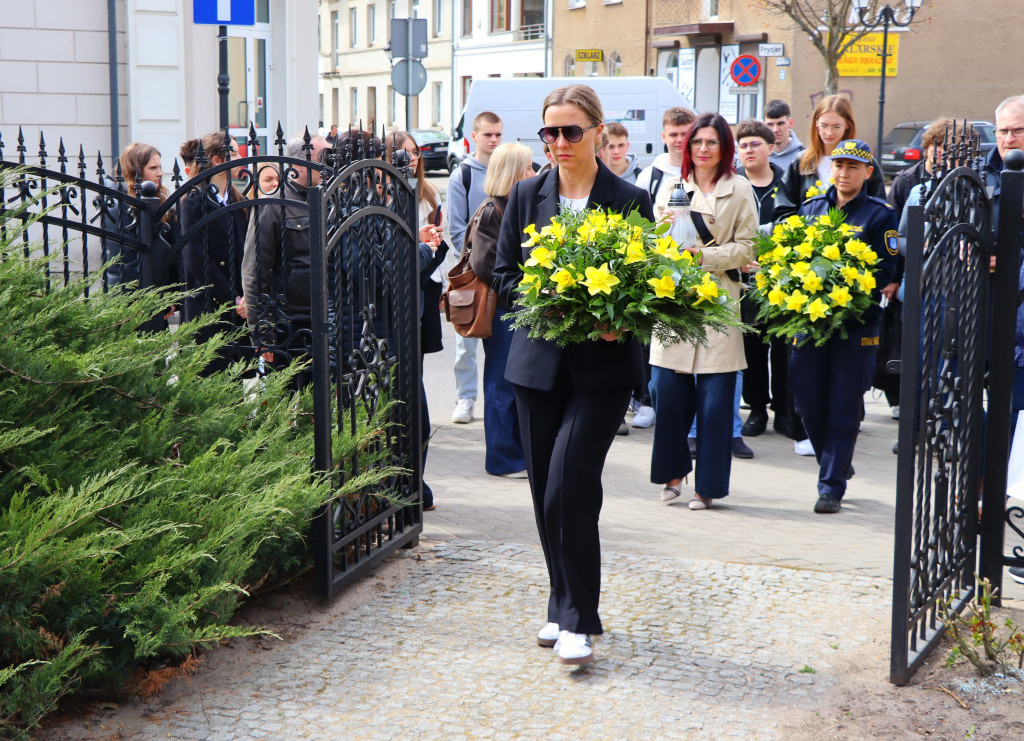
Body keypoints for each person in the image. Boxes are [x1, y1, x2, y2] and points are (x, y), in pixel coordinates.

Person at [491, 84, 654, 666]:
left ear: (597, 132)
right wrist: (552, 297)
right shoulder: (525, 194)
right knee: (544, 494)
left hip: (604, 370)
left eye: (570, 132)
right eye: (549, 133)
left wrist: (620, 318)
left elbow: (648, 283)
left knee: (570, 484)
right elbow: (503, 274)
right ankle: (564, 603)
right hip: (537, 366)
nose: (559, 143)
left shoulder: (630, 199)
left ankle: (579, 620)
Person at [648, 112, 758, 509]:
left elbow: (748, 248)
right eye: (697, 142)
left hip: (718, 301)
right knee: (665, 391)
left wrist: (705, 256)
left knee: (714, 402)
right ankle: (673, 473)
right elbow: (654, 238)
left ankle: (707, 487)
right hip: (673, 299)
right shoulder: (672, 186)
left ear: (724, 146)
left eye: (711, 142)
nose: (703, 149)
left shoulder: (740, 189)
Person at [773, 94, 887, 456]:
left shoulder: (867, 168)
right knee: (806, 385)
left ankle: (836, 460)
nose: (828, 133)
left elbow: (881, 221)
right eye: (823, 127)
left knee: (844, 389)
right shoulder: (802, 164)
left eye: (835, 127)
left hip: (852, 295)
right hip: (808, 287)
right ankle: (828, 451)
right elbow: (786, 212)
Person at [791, 140, 899, 514]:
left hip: (856, 324)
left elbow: (885, 271)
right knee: (806, 400)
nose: (843, 173)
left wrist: (842, 288)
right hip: (810, 321)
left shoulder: (880, 215)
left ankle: (831, 484)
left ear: (868, 173)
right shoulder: (811, 208)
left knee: (843, 403)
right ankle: (835, 459)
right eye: (838, 165)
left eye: (853, 167)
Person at [465, 143, 532, 478]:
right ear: (514, 173)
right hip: (505, 309)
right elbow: (483, 264)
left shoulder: (513, 205)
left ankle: (516, 455)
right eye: (528, 168)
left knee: (513, 384)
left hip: (515, 308)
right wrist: (525, 285)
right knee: (500, 385)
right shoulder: (493, 209)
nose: (534, 174)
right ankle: (502, 460)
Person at [447, 111, 503, 424]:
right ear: (474, 136)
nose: (493, 140)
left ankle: (497, 404)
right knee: (465, 342)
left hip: (501, 274)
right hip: (471, 273)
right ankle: (465, 399)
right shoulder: (464, 175)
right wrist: (476, 262)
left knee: (501, 344)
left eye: (497, 135)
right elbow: (455, 228)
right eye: (487, 135)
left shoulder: (506, 171)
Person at [735, 119, 789, 439]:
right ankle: (756, 409)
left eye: (755, 144)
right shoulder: (733, 184)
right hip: (746, 283)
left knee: (782, 348)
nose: (748, 150)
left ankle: (784, 409)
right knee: (752, 350)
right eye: (743, 146)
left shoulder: (786, 184)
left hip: (782, 281)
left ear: (771, 147)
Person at [179, 132, 248, 374]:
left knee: (236, 381)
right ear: (219, 161)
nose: (242, 159)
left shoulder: (239, 200)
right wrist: (233, 299)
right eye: (236, 153)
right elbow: (197, 259)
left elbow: (247, 253)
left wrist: (247, 297)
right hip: (208, 306)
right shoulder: (192, 202)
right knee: (211, 381)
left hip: (240, 308)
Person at [387, 131, 446, 358]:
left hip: (428, 277)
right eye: (404, 152)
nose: (412, 158)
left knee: (419, 351)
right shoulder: (382, 192)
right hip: (399, 277)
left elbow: (439, 241)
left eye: (415, 152)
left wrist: (443, 283)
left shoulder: (429, 192)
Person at [101, 141, 178, 292]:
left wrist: (167, 294)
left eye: (160, 167)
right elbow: (125, 260)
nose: (160, 173)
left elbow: (165, 252)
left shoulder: (156, 200)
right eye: (153, 168)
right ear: (135, 172)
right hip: (129, 295)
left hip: (156, 292)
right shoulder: (118, 203)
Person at [636, 107, 697, 216]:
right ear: (663, 137)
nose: (679, 140)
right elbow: (639, 219)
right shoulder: (649, 176)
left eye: (685, 134)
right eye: (673, 135)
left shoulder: (704, 172)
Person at [764, 99, 804, 171]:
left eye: (780, 123)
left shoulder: (804, 157)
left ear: (790, 123)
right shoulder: (758, 155)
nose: (775, 129)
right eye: (770, 124)